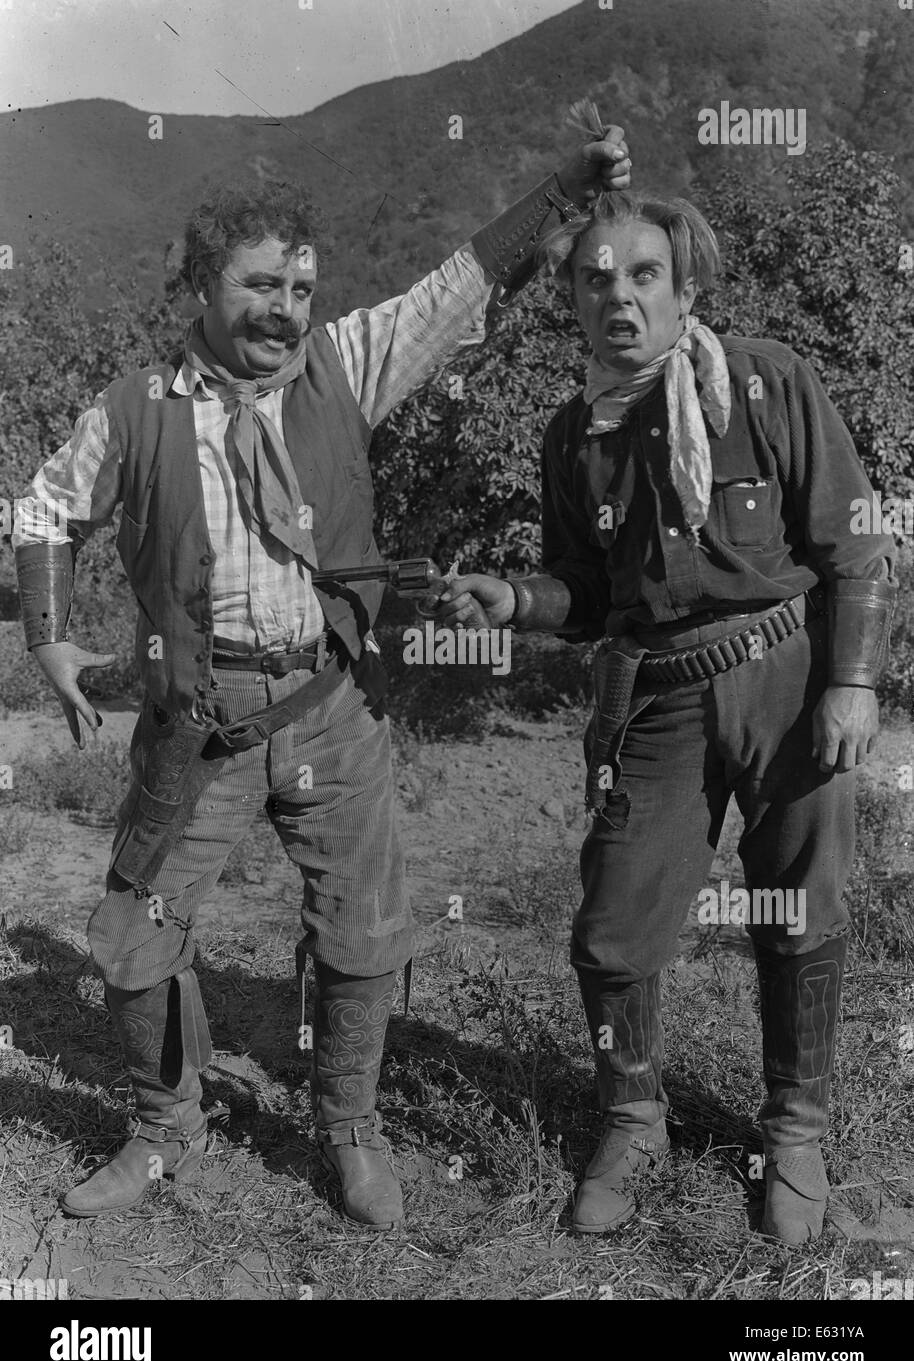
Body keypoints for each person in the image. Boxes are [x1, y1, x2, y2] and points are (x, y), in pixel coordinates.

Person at [13, 133, 632, 1228]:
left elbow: (461, 282)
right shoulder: (133, 406)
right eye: (260, 283)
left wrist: (566, 191)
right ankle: (165, 1127)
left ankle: (349, 1126)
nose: (284, 309)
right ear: (203, 282)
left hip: (332, 709)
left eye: (300, 286)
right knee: (133, 936)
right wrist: (51, 640)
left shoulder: (348, 363)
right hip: (195, 723)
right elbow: (43, 510)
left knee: (360, 930)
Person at [438, 189, 895, 1246]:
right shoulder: (574, 434)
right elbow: (583, 591)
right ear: (575, 300)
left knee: (798, 910)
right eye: (595, 279)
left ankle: (794, 1132)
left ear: (685, 287)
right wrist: (516, 599)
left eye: (642, 274)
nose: (618, 296)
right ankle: (632, 1120)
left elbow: (854, 540)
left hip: (786, 674)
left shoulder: (765, 379)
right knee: (610, 930)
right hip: (655, 694)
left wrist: (851, 679)